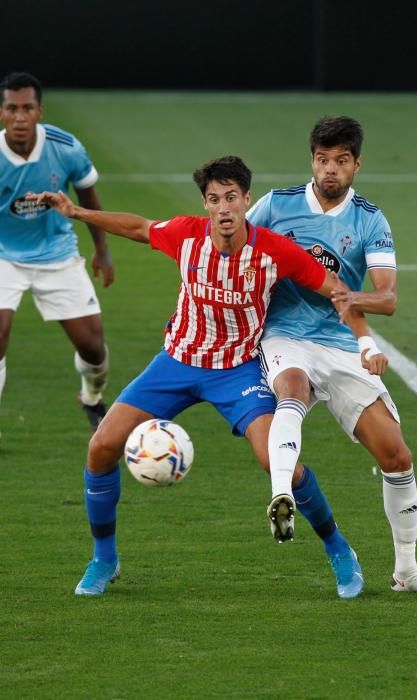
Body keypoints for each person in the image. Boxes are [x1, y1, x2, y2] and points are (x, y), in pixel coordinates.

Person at [29, 155, 383, 598]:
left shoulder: (275, 251)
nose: (223, 208)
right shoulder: (186, 235)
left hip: (237, 372)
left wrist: (365, 339)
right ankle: (104, 558)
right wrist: (77, 211)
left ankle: (339, 550)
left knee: (279, 461)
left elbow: (338, 291)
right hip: (176, 363)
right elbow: (139, 228)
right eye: (214, 199)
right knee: (101, 446)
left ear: (246, 200)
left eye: (231, 198)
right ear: (205, 204)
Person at [248, 115, 417, 596]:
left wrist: (347, 298)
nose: (330, 170)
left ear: (356, 164)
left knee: (396, 453)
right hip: (284, 335)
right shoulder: (275, 206)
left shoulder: (369, 219)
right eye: (322, 160)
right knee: (293, 390)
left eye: (341, 161)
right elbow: (235, 246)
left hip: (341, 344)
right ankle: (282, 493)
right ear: (312, 160)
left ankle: (407, 570)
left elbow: (387, 298)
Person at [0, 72, 113, 430]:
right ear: (2, 113)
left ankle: (92, 397)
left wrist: (102, 250)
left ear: (40, 111)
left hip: (57, 254)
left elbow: (88, 199)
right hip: (4, 255)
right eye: (12, 108)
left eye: (27, 108)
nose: (20, 116)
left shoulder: (65, 148)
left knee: (92, 347)